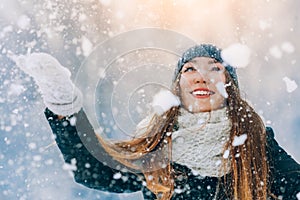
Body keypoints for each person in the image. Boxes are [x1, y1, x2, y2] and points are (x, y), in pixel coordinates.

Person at [15, 44, 300, 200]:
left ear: (229, 88)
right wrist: (63, 102)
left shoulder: (256, 143)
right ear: (178, 88)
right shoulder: (158, 148)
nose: (201, 76)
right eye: (190, 69)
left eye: (215, 69)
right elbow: (92, 169)